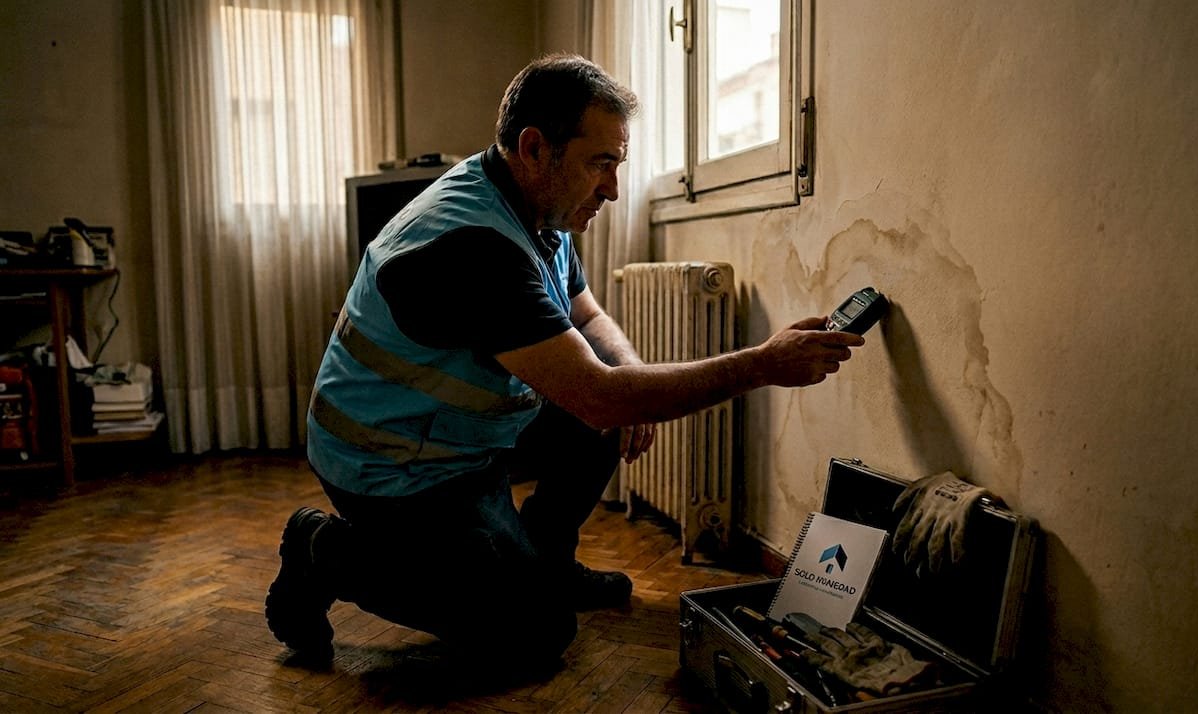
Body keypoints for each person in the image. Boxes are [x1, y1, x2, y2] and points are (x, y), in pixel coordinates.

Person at [265, 53, 865, 673]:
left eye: (617, 165)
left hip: (459, 438)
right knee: (536, 632)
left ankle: (547, 564)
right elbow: (598, 396)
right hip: (392, 466)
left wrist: (628, 375)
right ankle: (322, 547)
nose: (613, 188)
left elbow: (588, 314)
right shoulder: (476, 247)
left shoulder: (535, 207)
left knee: (603, 415)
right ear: (534, 148)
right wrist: (761, 365)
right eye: (600, 163)